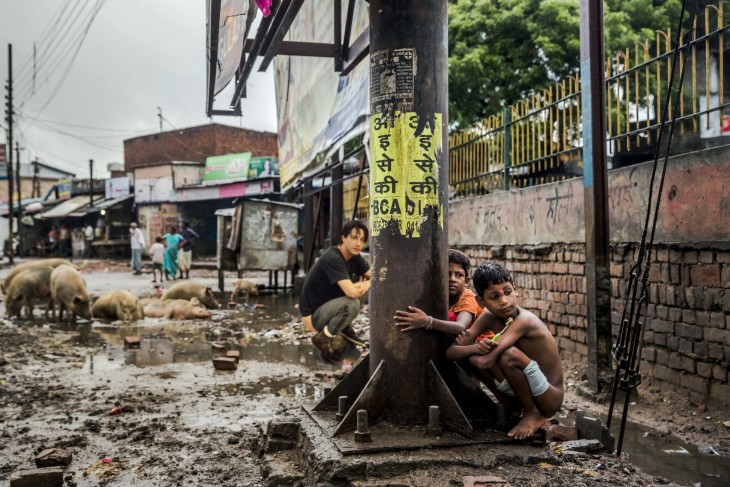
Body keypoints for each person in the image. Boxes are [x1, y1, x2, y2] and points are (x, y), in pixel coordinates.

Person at [446, 262, 564, 440]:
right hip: (527, 387)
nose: (504, 301)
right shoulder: (488, 317)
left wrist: (472, 350)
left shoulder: (525, 320)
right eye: (494, 297)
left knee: (507, 355)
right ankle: (513, 408)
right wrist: (473, 349)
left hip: (549, 397)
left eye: (507, 292)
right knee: (476, 351)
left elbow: (487, 360)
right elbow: (450, 353)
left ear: (515, 289)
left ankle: (533, 414)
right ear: (481, 301)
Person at [300, 220, 371, 362]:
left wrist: (368, 284)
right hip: (313, 316)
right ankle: (324, 338)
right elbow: (351, 293)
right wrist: (365, 285)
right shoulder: (333, 258)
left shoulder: (354, 257)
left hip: (330, 307)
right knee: (353, 303)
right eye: (354, 238)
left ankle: (344, 326)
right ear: (344, 238)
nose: (358, 244)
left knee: (364, 288)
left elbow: (374, 275)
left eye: (362, 240)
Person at [394, 249, 488, 336]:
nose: (452, 279)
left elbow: (461, 326)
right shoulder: (441, 296)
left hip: (483, 344)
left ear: (466, 282)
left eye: (459, 275)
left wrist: (427, 321)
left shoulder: (468, 297)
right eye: (447, 274)